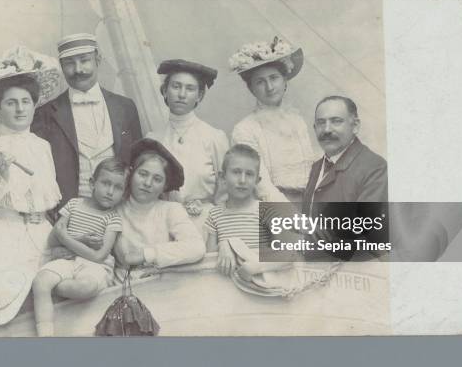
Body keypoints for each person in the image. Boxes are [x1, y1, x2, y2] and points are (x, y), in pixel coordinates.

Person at [0, 48, 62, 336]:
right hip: (0, 240)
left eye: (26, 101)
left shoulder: (42, 147)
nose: (20, 109)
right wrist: (1, 179)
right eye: (11, 103)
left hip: (43, 235)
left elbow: (48, 199)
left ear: (34, 104)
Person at [31, 33, 143, 216]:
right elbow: (39, 171)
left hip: (120, 212)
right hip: (66, 214)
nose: (78, 69)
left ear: (98, 60)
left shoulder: (125, 107)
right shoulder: (44, 113)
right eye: (69, 63)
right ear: (61, 66)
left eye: (84, 60)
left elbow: (138, 162)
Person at [32, 157, 128, 337]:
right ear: (92, 183)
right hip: (67, 261)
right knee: (40, 282)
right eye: (106, 183)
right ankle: (45, 334)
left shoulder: (113, 219)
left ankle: (59, 289)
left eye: (118, 188)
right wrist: (80, 239)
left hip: (94, 267)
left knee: (86, 287)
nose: (110, 192)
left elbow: (99, 256)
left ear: (123, 193)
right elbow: (53, 239)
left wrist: (67, 241)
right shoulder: (74, 204)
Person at [229, 37, 316, 203]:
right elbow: (260, 183)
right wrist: (291, 215)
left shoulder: (297, 120)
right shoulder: (245, 129)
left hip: (309, 203)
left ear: (284, 81)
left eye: (274, 78)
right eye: (260, 82)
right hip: (272, 207)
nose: (270, 87)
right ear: (251, 88)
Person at [147, 59, 229, 234]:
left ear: (199, 96)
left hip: (205, 224)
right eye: (176, 86)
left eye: (190, 89)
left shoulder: (214, 137)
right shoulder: (153, 139)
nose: (182, 94)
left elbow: (225, 192)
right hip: (164, 225)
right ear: (165, 91)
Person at [302, 95, 388, 260]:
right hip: (315, 268)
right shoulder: (316, 167)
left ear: (355, 126)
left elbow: (365, 234)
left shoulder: (375, 167)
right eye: (321, 123)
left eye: (336, 121)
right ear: (314, 128)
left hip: (353, 270)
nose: (327, 129)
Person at [113, 138, 206, 274]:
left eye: (157, 179)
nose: (148, 183)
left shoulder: (170, 210)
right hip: (123, 286)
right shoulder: (115, 210)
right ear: (131, 174)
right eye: (143, 174)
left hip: (159, 284)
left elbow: (196, 247)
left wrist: (148, 254)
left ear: (165, 186)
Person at [204, 144, 291, 282]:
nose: (242, 180)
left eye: (249, 174)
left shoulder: (266, 210)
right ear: (222, 177)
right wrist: (224, 245)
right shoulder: (215, 214)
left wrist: (257, 266)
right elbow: (209, 259)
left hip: (260, 283)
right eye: (236, 172)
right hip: (227, 286)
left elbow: (288, 255)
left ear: (257, 180)